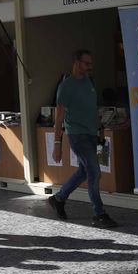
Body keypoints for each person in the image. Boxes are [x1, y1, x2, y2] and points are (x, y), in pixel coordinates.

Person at [46, 49, 117, 227]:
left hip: (91, 134)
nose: (90, 67)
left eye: (90, 63)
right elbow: (59, 117)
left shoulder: (89, 83)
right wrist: (57, 144)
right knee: (94, 172)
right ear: (76, 63)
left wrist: (100, 128)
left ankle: (58, 199)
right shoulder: (66, 87)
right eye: (87, 63)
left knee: (84, 171)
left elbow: (92, 109)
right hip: (77, 135)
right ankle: (99, 213)